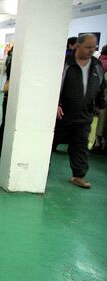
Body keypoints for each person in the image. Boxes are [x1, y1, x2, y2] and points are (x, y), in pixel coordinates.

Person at [52, 34, 106, 189]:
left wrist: (100, 105)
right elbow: (54, 85)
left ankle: (78, 176)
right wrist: (55, 104)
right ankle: (40, 172)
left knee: (80, 146)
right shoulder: (65, 64)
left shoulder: (96, 65)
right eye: (88, 47)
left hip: (84, 116)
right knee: (50, 144)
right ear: (78, 46)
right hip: (63, 115)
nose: (91, 50)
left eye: (94, 47)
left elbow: (101, 87)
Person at [0, 47, 13, 156]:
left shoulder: (10, 59)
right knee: (6, 122)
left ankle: (0, 147)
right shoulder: (13, 61)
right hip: (10, 94)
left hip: (9, 94)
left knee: (5, 122)